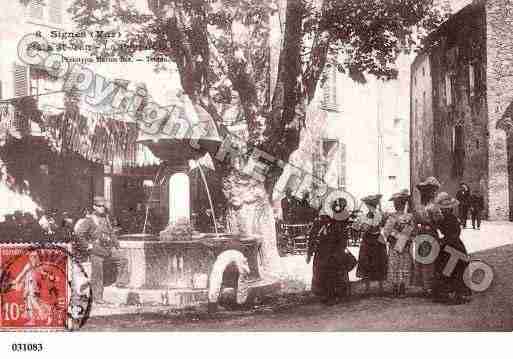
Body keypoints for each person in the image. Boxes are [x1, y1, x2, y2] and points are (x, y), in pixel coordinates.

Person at [74, 202, 129, 304]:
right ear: (94, 207)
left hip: (107, 248)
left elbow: (111, 233)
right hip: (95, 250)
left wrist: (117, 245)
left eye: (103, 206)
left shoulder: (105, 219)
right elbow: (79, 233)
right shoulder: (89, 220)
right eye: (99, 206)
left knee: (123, 259)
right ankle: (97, 298)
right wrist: (87, 246)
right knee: (97, 274)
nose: (102, 208)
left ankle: (120, 283)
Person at [307, 198, 352, 305]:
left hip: (332, 252)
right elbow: (312, 237)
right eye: (323, 216)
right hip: (322, 252)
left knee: (332, 274)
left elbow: (341, 237)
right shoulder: (319, 223)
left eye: (325, 216)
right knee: (322, 273)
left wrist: (342, 247)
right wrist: (309, 253)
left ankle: (334, 294)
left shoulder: (335, 222)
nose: (324, 218)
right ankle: (325, 294)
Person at [433, 192, 472, 304]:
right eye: (443, 209)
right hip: (450, 245)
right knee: (450, 269)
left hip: (454, 246)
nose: (444, 210)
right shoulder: (444, 219)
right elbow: (440, 228)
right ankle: (450, 293)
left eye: (446, 209)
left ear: (450, 209)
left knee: (451, 269)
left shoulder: (451, 219)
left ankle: (456, 294)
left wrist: (443, 241)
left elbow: (454, 234)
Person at [413, 176, 443, 297]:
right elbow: (439, 220)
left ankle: (429, 286)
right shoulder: (428, 206)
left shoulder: (428, 206)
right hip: (425, 234)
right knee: (425, 259)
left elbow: (439, 220)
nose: (425, 194)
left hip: (427, 234)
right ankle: (426, 286)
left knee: (428, 259)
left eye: (427, 192)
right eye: (424, 192)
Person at [384, 190, 415, 298]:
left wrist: (395, 235)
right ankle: (401, 287)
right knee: (403, 264)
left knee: (396, 264)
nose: (396, 205)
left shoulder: (392, 217)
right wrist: (404, 238)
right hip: (403, 243)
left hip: (396, 244)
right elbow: (412, 231)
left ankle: (397, 287)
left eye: (396, 203)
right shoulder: (409, 217)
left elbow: (386, 232)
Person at [356, 194, 387, 295]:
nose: (369, 207)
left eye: (369, 205)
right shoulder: (366, 215)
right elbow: (360, 227)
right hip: (371, 239)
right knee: (369, 261)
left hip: (374, 239)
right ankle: (373, 287)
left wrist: (366, 226)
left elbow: (379, 225)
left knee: (376, 261)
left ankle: (375, 287)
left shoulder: (377, 214)